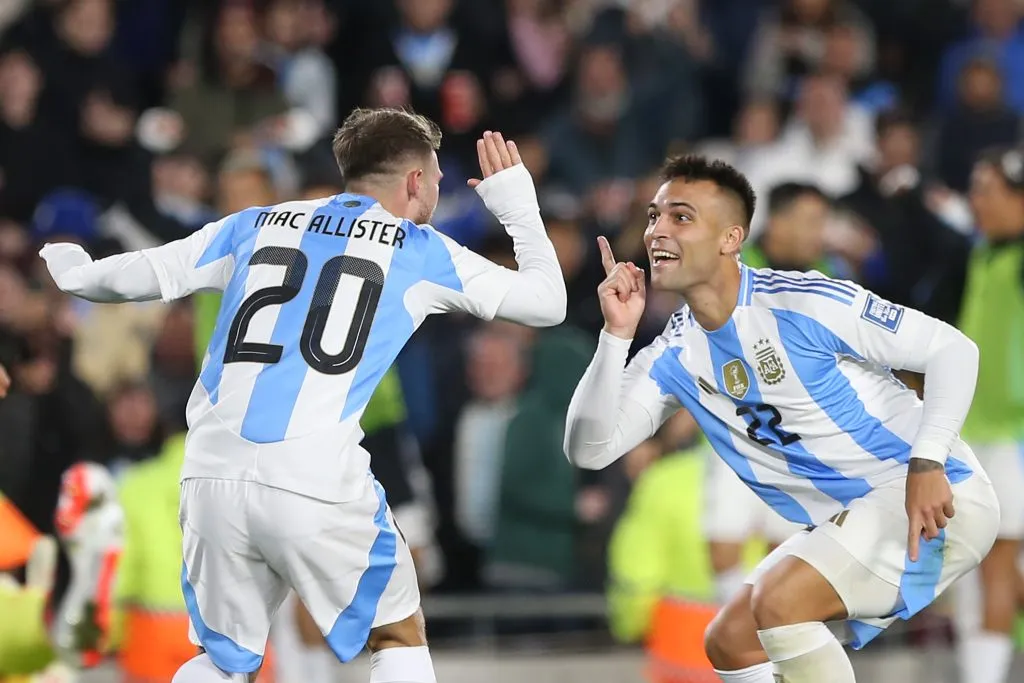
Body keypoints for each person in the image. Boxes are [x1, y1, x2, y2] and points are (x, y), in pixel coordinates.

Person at [39, 107, 567, 683]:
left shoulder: (255, 223)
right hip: (312, 475)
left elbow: (144, 273)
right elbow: (547, 302)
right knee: (396, 632)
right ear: (415, 180)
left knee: (220, 659)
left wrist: (76, 273)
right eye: (437, 176)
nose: (438, 188)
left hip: (212, 474)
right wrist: (517, 203)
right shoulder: (420, 249)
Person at [563, 154, 1000, 683]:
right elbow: (588, 448)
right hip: (857, 514)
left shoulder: (802, 301)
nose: (657, 231)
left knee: (779, 603)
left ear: (730, 238)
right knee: (729, 641)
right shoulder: (671, 354)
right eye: (654, 216)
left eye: (681, 217)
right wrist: (615, 336)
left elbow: (953, 350)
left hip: (931, 494)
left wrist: (928, 462)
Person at [704, 182, 833, 605]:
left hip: (801, 439)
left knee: (788, 552)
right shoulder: (731, 268)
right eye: (810, 221)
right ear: (777, 222)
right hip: (736, 426)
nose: (820, 233)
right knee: (723, 546)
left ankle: (771, 653)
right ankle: (743, 642)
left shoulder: (828, 279)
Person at [953, 146, 1024, 683]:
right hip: (977, 433)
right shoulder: (984, 255)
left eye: (987, 190)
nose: (976, 201)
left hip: (1016, 437)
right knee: (982, 565)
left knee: (995, 560)